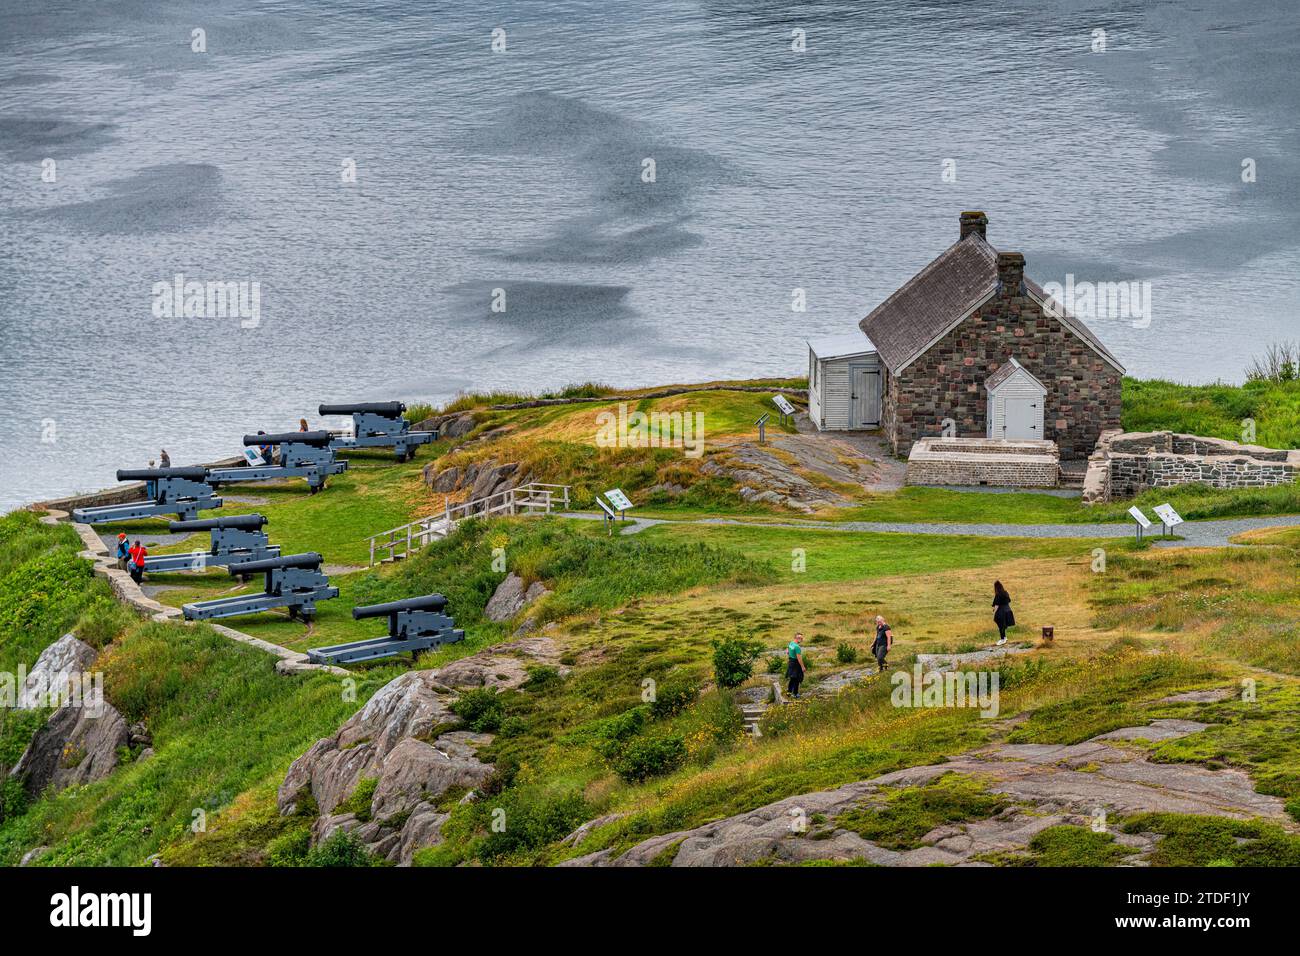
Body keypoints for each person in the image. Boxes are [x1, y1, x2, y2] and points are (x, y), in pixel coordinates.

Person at [993, 580, 1015, 645]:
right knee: (1003, 625)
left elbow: (997, 605)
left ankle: (1002, 639)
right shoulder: (1006, 592)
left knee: (1000, 625)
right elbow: (1009, 600)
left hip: (1001, 611)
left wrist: (994, 612)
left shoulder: (998, 594)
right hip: (1008, 610)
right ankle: (1004, 637)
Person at [786, 633, 806, 699]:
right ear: (795, 638)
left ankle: (789, 692)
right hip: (796, 663)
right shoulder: (797, 647)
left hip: (791, 661)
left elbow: (787, 650)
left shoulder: (791, 643)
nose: (801, 639)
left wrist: (788, 653)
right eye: (799, 638)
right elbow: (799, 658)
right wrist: (803, 667)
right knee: (797, 678)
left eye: (801, 638)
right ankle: (795, 693)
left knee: (792, 677)